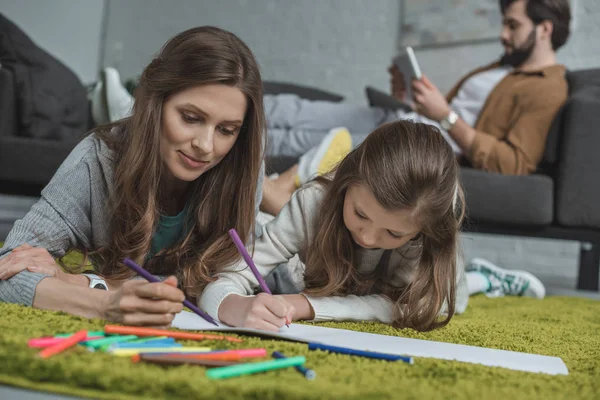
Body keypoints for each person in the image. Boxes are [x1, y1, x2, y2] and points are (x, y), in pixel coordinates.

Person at [0, 26, 266, 327]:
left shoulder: (244, 167)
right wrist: (104, 304)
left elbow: (227, 279)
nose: (205, 146)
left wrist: (80, 283)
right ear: (155, 103)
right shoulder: (96, 161)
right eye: (191, 118)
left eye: (226, 130)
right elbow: (8, 269)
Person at [263, 0, 571, 202]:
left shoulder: (549, 88)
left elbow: (514, 163)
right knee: (293, 109)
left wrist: (445, 115)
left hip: (420, 142)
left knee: (298, 138)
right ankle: (233, 110)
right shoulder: (501, 67)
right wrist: (411, 100)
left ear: (544, 29)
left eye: (513, 25)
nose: (503, 34)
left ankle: (240, 151)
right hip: (406, 118)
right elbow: (449, 112)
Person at [199, 120, 468, 332]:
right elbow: (223, 281)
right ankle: (287, 177)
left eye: (394, 233)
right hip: (315, 268)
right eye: (360, 214)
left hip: (445, 279)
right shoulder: (313, 201)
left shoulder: (430, 233)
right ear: (345, 183)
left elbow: (416, 308)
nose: (367, 236)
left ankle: (483, 278)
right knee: (260, 231)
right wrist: (231, 304)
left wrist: (307, 305)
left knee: (466, 289)